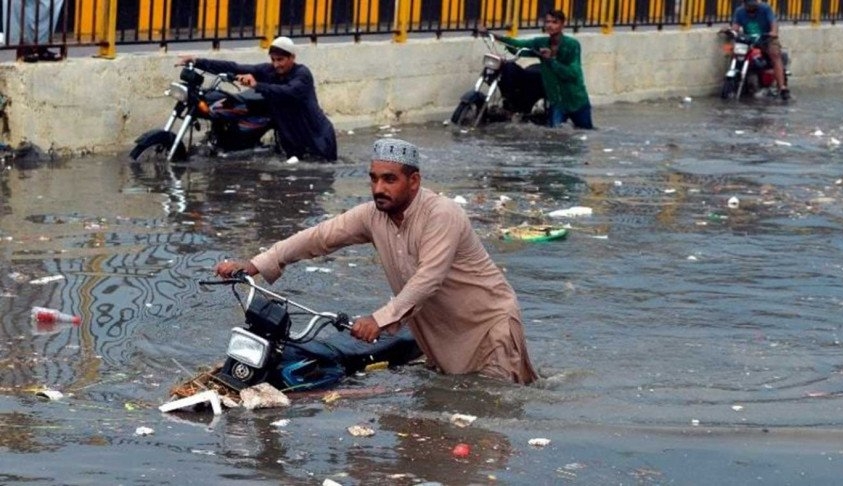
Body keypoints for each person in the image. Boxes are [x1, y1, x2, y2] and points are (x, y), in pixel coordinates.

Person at [214, 138, 538, 385]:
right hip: (440, 335)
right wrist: (258, 263)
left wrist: (379, 319)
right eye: (373, 179)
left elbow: (429, 278)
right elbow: (321, 236)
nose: (378, 188)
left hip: (487, 328)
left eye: (389, 179)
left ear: (414, 181)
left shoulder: (442, 214)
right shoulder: (374, 215)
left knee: (493, 414)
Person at [177, 37, 337, 161]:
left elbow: (288, 91)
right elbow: (235, 66)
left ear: (292, 58)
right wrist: (197, 62)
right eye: (273, 59)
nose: (276, 65)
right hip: (291, 140)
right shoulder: (269, 71)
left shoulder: (302, 74)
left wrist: (256, 85)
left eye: (280, 60)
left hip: (316, 139)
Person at [484, 9, 593, 129]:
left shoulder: (572, 45)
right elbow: (518, 45)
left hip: (576, 101)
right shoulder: (541, 43)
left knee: (585, 132)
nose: (550, 25)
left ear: (562, 24)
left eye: (554, 22)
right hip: (557, 103)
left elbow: (573, 74)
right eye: (547, 22)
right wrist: (495, 36)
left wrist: (551, 60)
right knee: (554, 137)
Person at [731, 0, 790, 100]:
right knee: (737, 53)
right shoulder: (739, 11)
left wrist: (773, 33)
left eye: (753, 6)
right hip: (749, 40)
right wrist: (731, 31)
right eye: (748, 6)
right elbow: (735, 27)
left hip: (766, 39)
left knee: (775, 54)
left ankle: (782, 87)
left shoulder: (766, 9)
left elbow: (773, 23)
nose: (751, 9)